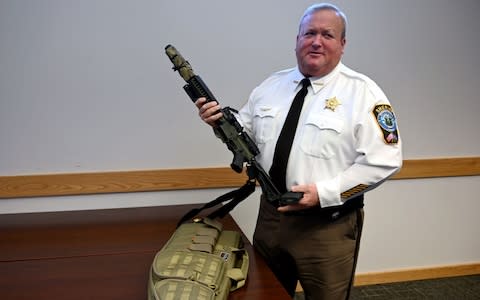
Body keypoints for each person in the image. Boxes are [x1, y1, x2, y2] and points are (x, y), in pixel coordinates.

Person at [196, 3, 402, 299]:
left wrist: (324, 194)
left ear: (342, 45)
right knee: (265, 293)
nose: (316, 41)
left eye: (327, 35)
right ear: (297, 40)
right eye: (310, 33)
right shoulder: (272, 86)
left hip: (326, 227)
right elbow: (245, 134)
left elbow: (385, 161)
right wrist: (218, 122)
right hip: (271, 218)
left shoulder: (364, 93)